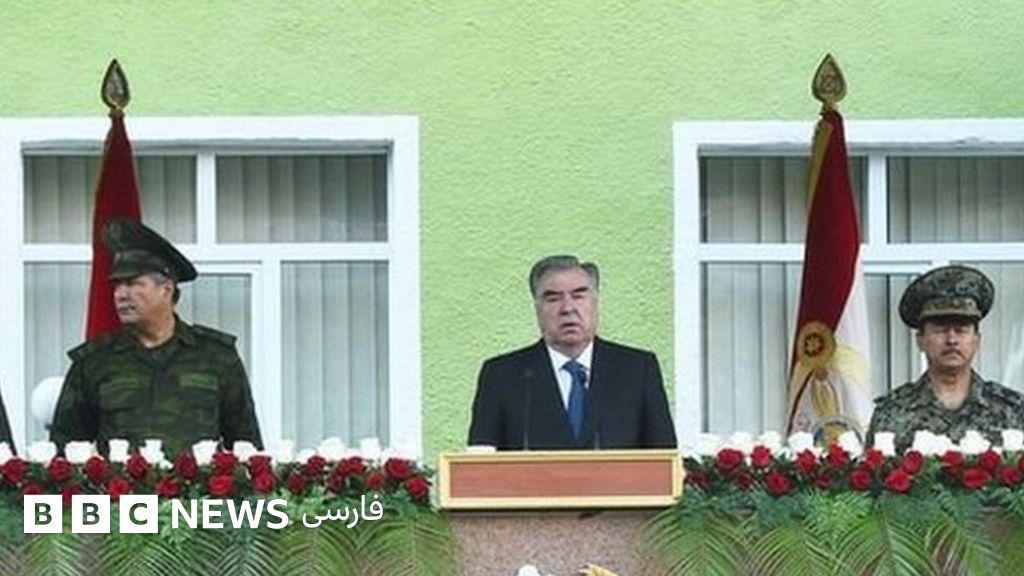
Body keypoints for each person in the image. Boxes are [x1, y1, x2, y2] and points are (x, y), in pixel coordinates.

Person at [50, 218, 263, 456]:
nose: (121, 294)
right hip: (119, 482)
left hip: (195, 482)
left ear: (166, 289)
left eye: (133, 283)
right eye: (117, 285)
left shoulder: (216, 356)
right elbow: (66, 452)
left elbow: (246, 447)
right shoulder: (94, 361)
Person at [468, 255, 677, 450]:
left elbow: (664, 459)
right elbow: (480, 460)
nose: (568, 308)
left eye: (579, 295)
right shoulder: (502, 375)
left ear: (595, 302)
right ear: (536, 308)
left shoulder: (637, 369)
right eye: (553, 298)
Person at [866, 265, 1024, 451]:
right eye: (940, 330)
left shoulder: (1013, 411)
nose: (951, 340)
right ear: (920, 340)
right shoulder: (891, 413)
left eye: (961, 330)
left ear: (976, 340)